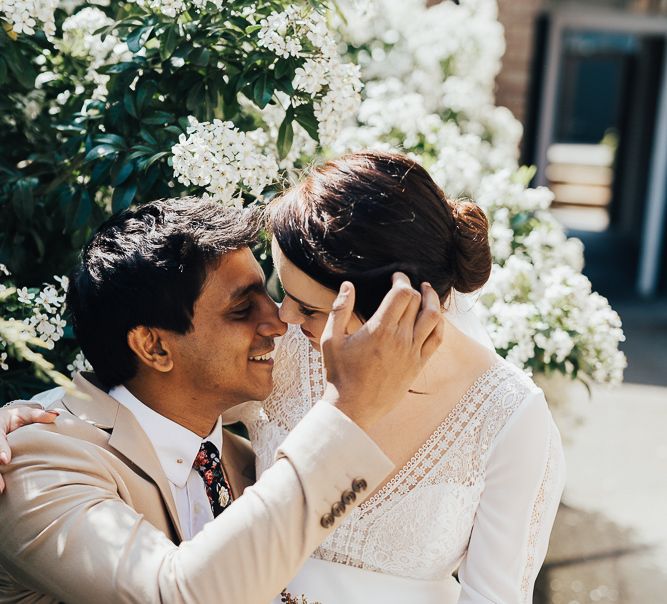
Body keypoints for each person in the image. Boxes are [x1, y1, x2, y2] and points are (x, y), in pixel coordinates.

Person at [0, 196, 444, 603]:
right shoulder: (33, 459)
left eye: (266, 294)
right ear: (154, 347)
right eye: (241, 309)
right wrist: (348, 412)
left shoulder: (251, 458)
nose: (278, 321)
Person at [230, 150, 566, 603]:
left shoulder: (510, 417)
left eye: (309, 308)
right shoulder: (287, 348)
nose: (282, 317)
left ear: (396, 306)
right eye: (282, 291)